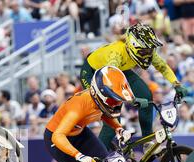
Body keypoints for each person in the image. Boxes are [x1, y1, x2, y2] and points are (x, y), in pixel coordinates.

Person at [80, 23, 188, 151]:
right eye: (145, 51)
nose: (149, 54)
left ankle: (147, 143)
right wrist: (131, 100)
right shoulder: (116, 54)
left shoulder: (145, 50)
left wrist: (176, 84)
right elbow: (110, 83)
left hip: (118, 69)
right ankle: (96, 159)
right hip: (93, 74)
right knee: (112, 120)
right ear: (134, 46)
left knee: (146, 96)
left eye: (150, 50)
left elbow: (162, 67)